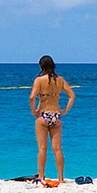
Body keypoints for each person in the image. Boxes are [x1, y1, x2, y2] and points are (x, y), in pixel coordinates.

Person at [29, 55, 75, 184]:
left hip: (43, 115)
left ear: (41, 66)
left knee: (42, 149)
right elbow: (72, 96)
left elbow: (32, 97)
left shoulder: (39, 80)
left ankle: (42, 177)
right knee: (57, 149)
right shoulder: (60, 80)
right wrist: (65, 110)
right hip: (56, 115)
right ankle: (61, 178)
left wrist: (33, 111)